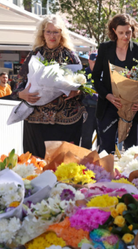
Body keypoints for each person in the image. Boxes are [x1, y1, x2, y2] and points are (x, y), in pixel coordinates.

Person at [10, 14, 85, 158]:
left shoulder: (70, 56)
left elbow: (84, 87)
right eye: (48, 31)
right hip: (35, 120)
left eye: (56, 31)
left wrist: (77, 92)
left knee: (62, 166)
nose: (52, 35)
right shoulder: (34, 55)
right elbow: (18, 85)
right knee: (36, 165)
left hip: (65, 121)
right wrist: (21, 94)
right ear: (42, 33)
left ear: (61, 34)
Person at [92, 14, 138, 154]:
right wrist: (108, 96)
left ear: (133, 30)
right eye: (121, 33)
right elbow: (96, 77)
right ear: (114, 30)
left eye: (128, 32)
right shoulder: (105, 48)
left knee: (133, 151)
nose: (125, 36)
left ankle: (133, 176)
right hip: (108, 106)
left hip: (132, 108)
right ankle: (105, 176)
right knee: (106, 151)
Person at [80, 53, 98, 150]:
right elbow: (83, 91)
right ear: (89, 61)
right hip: (88, 110)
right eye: (94, 62)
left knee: (102, 139)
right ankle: (85, 161)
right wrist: (96, 96)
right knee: (86, 138)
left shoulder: (103, 74)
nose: (96, 64)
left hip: (100, 110)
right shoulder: (83, 74)